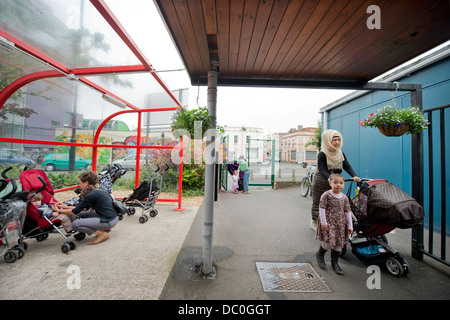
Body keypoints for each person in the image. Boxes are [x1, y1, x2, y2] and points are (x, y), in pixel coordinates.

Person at [311, 129, 360, 230]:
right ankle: (315, 221)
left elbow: (347, 166)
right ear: (328, 141)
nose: (337, 142)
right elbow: (322, 169)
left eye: (339, 140)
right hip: (322, 181)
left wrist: (354, 176)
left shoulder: (340, 153)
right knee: (319, 202)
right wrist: (330, 179)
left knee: (334, 202)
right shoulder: (322, 154)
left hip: (335, 182)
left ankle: (330, 222)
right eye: (334, 140)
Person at [56, 171, 118, 245]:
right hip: (112, 217)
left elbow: (74, 211)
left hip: (108, 220)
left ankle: (101, 234)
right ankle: (104, 228)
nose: (79, 185)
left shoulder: (91, 194)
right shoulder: (97, 188)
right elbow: (84, 208)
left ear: (86, 182)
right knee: (82, 214)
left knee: (75, 224)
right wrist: (64, 206)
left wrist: (59, 211)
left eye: (80, 183)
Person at [315, 173, 353, 275]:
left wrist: (350, 225)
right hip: (329, 222)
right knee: (328, 242)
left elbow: (347, 212)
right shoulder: (326, 195)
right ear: (330, 182)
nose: (338, 185)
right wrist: (324, 222)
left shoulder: (344, 198)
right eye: (335, 182)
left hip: (340, 224)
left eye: (341, 183)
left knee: (339, 244)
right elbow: (322, 209)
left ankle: (334, 262)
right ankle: (320, 254)